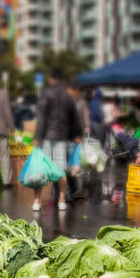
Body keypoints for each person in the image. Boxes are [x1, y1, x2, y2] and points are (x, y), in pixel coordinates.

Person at [33, 69, 82, 211]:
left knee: (40, 170)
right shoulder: (68, 96)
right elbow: (75, 118)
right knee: (60, 170)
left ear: (50, 79)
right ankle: (61, 200)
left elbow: (41, 117)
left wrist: (37, 137)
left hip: (47, 137)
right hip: (61, 137)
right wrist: (77, 134)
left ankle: (36, 202)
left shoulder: (45, 93)